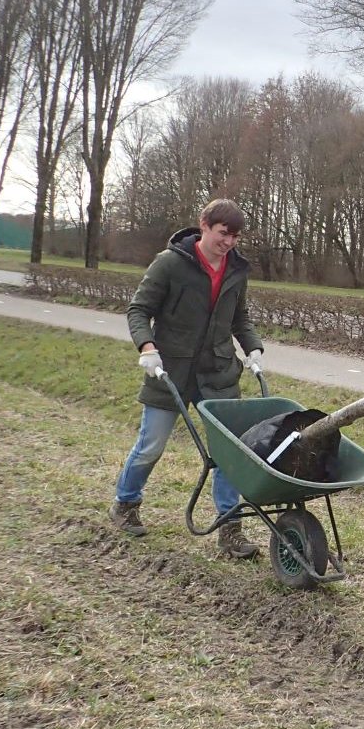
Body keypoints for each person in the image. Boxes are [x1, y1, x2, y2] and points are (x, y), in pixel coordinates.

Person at [108, 198, 265, 559]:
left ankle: (230, 529)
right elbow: (139, 309)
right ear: (204, 225)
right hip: (170, 371)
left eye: (235, 237)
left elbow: (239, 317)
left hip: (218, 373)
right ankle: (125, 504)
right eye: (223, 233)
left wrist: (253, 347)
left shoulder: (236, 269)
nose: (228, 242)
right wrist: (147, 348)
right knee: (151, 445)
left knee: (228, 451)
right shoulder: (170, 263)